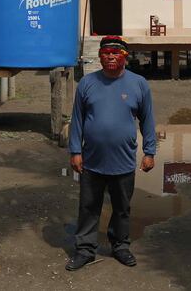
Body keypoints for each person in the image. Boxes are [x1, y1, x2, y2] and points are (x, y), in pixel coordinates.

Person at [66, 35, 156, 271]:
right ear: (100, 56)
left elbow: (148, 121)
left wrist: (150, 151)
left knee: (122, 207)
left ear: (125, 57)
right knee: (88, 207)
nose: (111, 56)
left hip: (124, 160)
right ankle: (85, 250)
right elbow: (77, 120)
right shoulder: (87, 83)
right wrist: (75, 150)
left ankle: (120, 246)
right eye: (106, 52)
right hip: (92, 160)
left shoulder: (138, 84)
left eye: (116, 53)